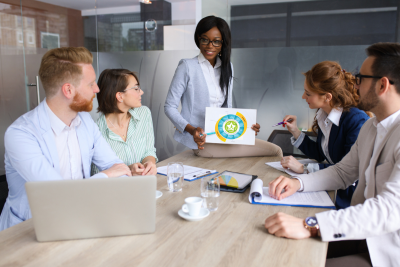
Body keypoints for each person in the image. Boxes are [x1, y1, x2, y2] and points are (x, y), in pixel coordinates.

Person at [264, 42, 400, 267]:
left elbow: (389, 211)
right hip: (359, 234)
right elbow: (344, 171)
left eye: (360, 79)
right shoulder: (371, 127)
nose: (354, 85)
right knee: (280, 249)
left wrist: (310, 224)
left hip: (385, 252)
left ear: (382, 85)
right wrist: (299, 183)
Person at [0, 47, 131, 231]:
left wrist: (116, 176)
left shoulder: (85, 120)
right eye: (90, 84)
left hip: (77, 220)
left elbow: (118, 168)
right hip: (28, 231)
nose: (97, 89)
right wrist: (106, 176)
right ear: (68, 90)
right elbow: (57, 194)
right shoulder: (20, 134)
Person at [164, 15, 282, 158]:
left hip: (222, 137)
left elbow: (227, 110)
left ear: (223, 43)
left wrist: (244, 127)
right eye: (205, 39)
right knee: (274, 152)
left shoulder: (227, 68)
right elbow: (169, 106)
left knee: (274, 151)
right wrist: (192, 130)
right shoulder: (187, 67)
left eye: (216, 42)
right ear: (198, 39)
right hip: (202, 142)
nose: (209, 46)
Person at [280, 61, 371, 209]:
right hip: (329, 189)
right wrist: (295, 131)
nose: (303, 97)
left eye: (308, 93)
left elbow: (349, 171)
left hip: (348, 200)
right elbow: (321, 153)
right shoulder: (325, 114)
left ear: (327, 97)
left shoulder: (355, 120)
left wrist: (305, 169)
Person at [91, 69, 158, 176]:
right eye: (136, 88)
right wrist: (129, 169)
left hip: (143, 184)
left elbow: (149, 151)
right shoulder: (96, 130)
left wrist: (148, 163)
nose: (141, 92)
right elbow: (97, 174)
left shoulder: (144, 114)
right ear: (120, 96)